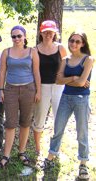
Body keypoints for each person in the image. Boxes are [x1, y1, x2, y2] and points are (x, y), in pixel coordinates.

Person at [42, 31, 93, 180]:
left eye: (78, 41)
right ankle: (51, 157)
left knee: (82, 132)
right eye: (72, 41)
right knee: (58, 128)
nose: (74, 44)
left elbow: (82, 83)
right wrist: (74, 77)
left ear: (83, 43)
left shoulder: (88, 59)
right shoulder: (65, 59)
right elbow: (58, 80)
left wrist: (71, 79)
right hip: (65, 98)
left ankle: (83, 164)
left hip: (81, 100)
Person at [0, 25, 41, 168]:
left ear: (25, 37)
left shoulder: (32, 52)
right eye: (14, 36)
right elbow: (2, 72)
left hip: (29, 89)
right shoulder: (6, 52)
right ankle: (6, 155)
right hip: (10, 90)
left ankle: (21, 152)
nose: (16, 39)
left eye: (19, 36)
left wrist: (38, 91)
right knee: (10, 123)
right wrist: (1, 89)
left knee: (25, 122)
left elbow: (36, 73)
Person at [32, 20, 67, 155]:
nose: (48, 34)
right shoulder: (35, 50)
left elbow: (67, 65)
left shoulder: (60, 48)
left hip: (59, 87)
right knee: (39, 117)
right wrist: (38, 90)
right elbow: (34, 71)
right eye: (45, 32)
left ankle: (55, 148)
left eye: (51, 32)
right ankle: (37, 147)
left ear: (55, 33)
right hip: (42, 87)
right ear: (41, 33)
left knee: (59, 117)